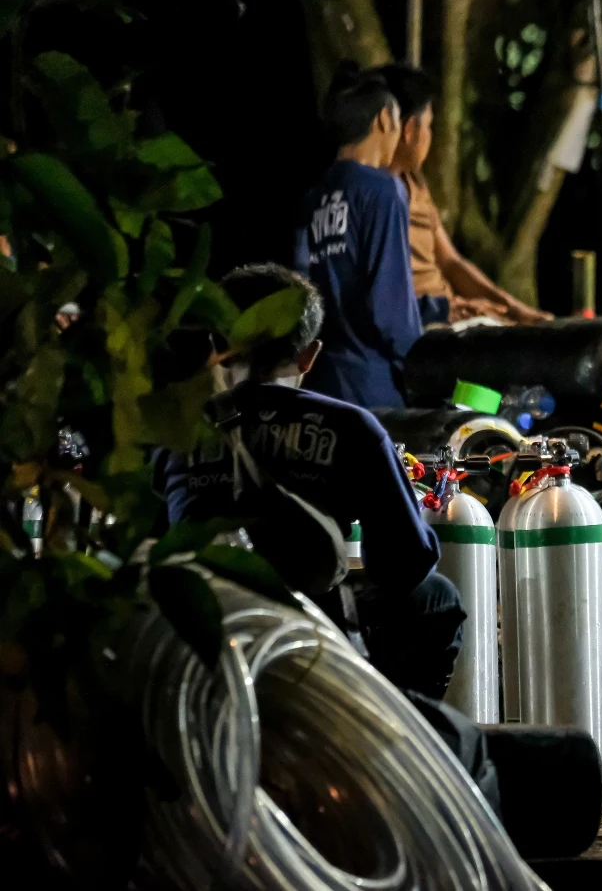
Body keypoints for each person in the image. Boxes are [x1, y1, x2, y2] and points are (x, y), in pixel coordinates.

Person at [154, 264, 464, 698]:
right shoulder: (351, 426)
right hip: (308, 630)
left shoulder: (177, 430)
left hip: (199, 626)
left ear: (219, 345)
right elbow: (404, 566)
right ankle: (392, 733)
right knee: (436, 598)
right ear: (309, 355)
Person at [378, 64, 551, 326]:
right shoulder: (372, 194)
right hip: (424, 323)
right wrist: (443, 309)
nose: (430, 137)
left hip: (451, 313)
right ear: (410, 129)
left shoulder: (414, 182)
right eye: (429, 126)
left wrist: (514, 309)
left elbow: (450, 262)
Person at [294, 62, 421, 409]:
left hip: (321, 384)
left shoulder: (313, 198)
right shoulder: (383, 191)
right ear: (383, 120)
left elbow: (301, 292)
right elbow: (390, 310)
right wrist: (421, 366)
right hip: (373, 387)